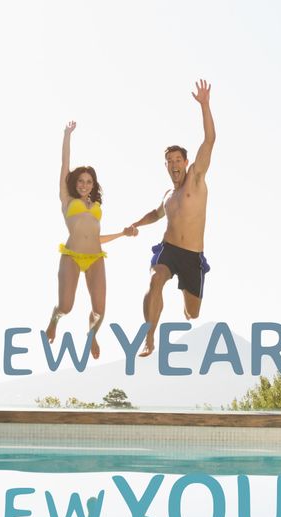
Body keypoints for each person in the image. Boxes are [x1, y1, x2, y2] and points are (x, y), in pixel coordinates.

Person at [126, 80, 216, 357]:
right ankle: (149, 338)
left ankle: (186, 299)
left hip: (191, 255)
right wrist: (135, 225)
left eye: (179, 160)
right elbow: (156, 213)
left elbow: (209, 140)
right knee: (154, 280)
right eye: (170, 161)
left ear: (186, 163)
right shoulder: (168, 194)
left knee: (193, 313)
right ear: (165, 165)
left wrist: (204, 106)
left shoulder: (196, 180)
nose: (175, 164)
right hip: (169, 250)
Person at [47, 121, 136, 360]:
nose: (84, 185)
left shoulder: (96, 206)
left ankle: (92, 334)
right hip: (72, 257)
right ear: (74, 183)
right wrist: (66, 135)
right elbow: (64, 165)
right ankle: (55, 318)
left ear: (93, 185)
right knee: (66, 306)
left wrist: (123, 233)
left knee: (99, 310)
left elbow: (97, 237)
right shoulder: (67, 200)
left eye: (89, 181)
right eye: (81, 181)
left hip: (95, 257)